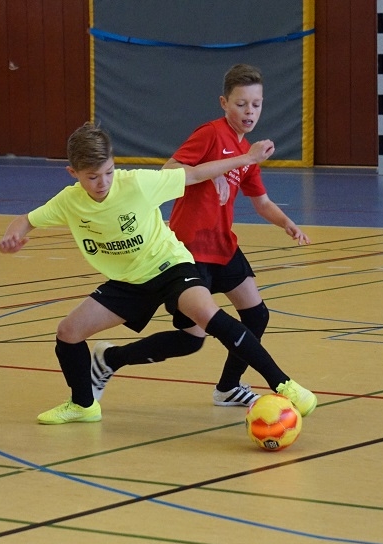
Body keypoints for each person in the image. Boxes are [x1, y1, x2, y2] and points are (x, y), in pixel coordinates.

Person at [0, 122, 317, 424]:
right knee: (68, 332)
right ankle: (83, 405)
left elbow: (193, 174)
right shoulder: (69, 201)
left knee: (207, 314)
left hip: (170, 266)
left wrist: (247, 158)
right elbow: (27, 220)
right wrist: (13, 236)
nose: (103, 182)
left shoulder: (137, 183)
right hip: (129, 281)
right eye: (92, 177)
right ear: (73, 173)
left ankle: (284, 385)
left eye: (108, 172)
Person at [90, 63, 310, 408]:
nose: (249, 111)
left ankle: (228, 387)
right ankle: (109, 359)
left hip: (223, 246)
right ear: (224, 103)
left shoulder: (247, 151)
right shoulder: (211, 134)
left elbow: (262, 202)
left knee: (257, 315)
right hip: (190, 250)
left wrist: (287, 223)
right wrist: (218, 169)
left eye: (256, 104)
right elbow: (170, 170)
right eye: (241, 104)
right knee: (191, 340)